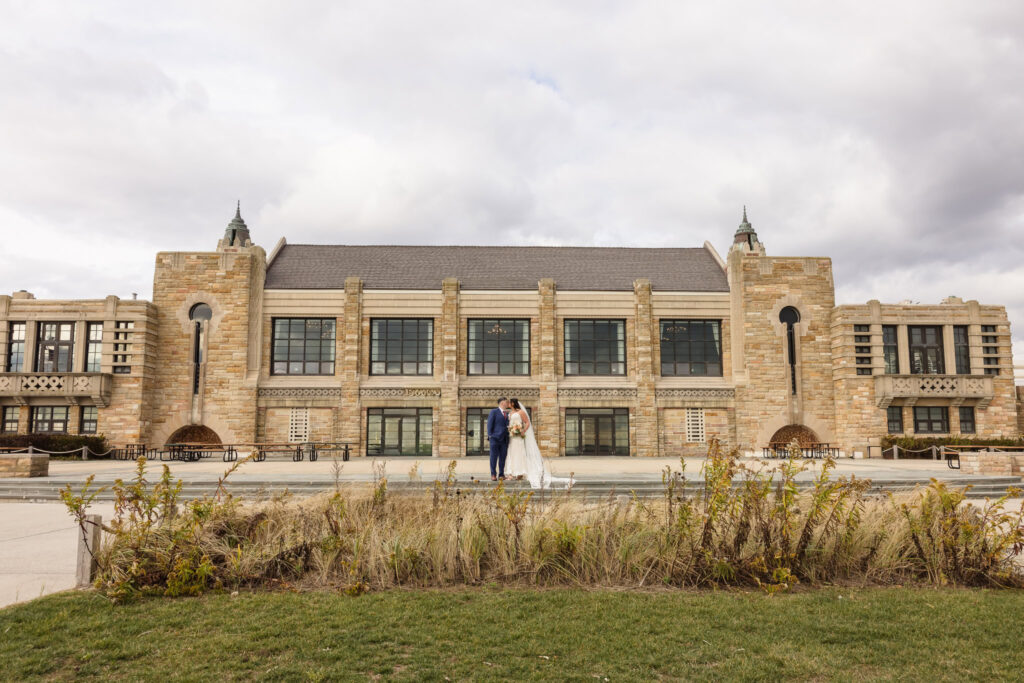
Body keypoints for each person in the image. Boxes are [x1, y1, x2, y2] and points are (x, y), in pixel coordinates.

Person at [504, 397, 571, 489]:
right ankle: (511, 473)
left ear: (513, 403)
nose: (508, 404)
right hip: (511, 437)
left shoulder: (521, 412)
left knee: (519, 454)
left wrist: (523, 430)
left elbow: (527, 422)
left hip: (519, 437)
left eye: (509, 402)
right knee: (511, 453)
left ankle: (520, 473)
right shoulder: (510, 413)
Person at [486, 397, 510, 481]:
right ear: (502, 403)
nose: (507, 404)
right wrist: (490, 435)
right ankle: (493, 474)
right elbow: (489, 424)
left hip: (504, 439)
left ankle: (501, 474)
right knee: (493, 457)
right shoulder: (494, 412)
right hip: (495, 439)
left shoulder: (507, 414)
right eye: (506, 402)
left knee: (503, 457)